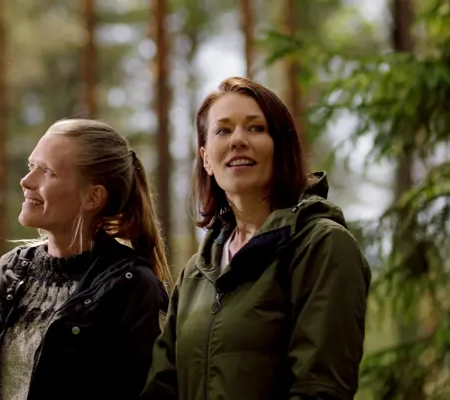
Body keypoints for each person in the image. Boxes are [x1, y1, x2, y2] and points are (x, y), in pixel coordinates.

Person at [142, 77, 371, 399]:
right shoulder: (196, 273)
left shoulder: (323, 245)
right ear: (206, 159)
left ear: (281, 148)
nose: (238, 140)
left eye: (256, 128)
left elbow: (320, 389)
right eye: (223, 130)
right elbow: (161, 388)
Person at [0, 118, 171, 400]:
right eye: (31, 166)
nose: (26, 181)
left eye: (47, 172)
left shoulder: (132, 289)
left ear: (94, 197)